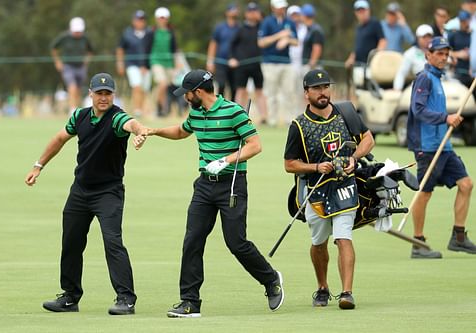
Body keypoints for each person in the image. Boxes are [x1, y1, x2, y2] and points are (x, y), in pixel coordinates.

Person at [145, 69, 284, 318]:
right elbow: (182, 130)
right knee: (193, 240)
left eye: (187, 93)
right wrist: (155, 131)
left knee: (236, 242)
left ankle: (271, 279)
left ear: (198, 92)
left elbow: (255, 145)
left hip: (231, 183)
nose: (185, 98)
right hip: (204, 185)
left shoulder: (233, 112)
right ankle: (189, 301)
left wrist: (226, 160)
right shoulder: (196, 112)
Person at [25, 73, 148, 315]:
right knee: (71, 242)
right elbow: (60, 138)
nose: (104, 98)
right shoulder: (80, 116)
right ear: (90, 93)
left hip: (108, 192)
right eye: (99, 93)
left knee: (113, 242)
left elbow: (130, 124)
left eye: (108, 93)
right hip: (80, 191)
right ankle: (70, 297)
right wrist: (38, 166)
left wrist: (140, 131)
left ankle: (126, 299)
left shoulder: (116, 118)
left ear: (114, 95)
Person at [283, 69, 375, 309]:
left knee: (343, 237)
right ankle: (322, 287)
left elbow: (368, 139)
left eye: (326, 87)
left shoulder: (346, 111)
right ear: (307, 93)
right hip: (315, 190)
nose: (323, 92)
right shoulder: (299, 126)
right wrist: (316, 166)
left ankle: (347, 293)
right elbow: (289, 164)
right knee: (319, 241)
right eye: (317, 88)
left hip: (345, 186)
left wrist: (354, 158)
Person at [407, 36, 476, 259]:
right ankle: (418, 242)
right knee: (424, 194)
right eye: (439, 53)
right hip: (427, 147)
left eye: (446, 54)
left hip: (443, 145)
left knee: (466, 184)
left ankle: (458, 238)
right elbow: (418, 110)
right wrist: (445, 118)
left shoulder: (438, 79)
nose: (443, 58)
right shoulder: (425, 78)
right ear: (428, 54)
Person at [258, 0, 298, 126]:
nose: (282, 9)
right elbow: (261, 42)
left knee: (289, 92)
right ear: (273, 8)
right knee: (271, 93)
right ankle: (272, 120)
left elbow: (296, 42)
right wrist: (279, 36)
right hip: (269, 63)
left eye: (283, 7)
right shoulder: (267, 22)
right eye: (280, 7)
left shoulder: (289, 22)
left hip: (286, 63)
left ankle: (290, 120)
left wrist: (287, 40)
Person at [228, 2, 268, 123]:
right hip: (242, 66)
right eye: (250, 11)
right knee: (240, 90)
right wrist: (232, 58)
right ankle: (236, 117)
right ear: (246, 14)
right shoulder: (240, 29)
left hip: (257, 65)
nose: (253, 14)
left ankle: (264, 118)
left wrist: (260, 18)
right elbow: (232, 46)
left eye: (255, 11)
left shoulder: (261, 27)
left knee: (260, 91)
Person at [51, 17, 94, 114]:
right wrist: (57, 62)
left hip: (81, 67)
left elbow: (90, 51)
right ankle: (72, 110)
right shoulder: (64, 37)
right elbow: (54, 48)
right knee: (72, 87)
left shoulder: (85, 38)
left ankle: (78, 110)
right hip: (68, 66)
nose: (77, 33)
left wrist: (86, 61)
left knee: (78, 89)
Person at [116, 10, 152, 118]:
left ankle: (142, 110)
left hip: (147, 66)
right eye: (138, 20)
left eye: (142, 20)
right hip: (132, 65)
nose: (140, 22)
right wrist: (120, 64)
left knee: (144, 89)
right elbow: (120, 49)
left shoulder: (150, 33)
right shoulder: (127, 33)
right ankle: (137, 111)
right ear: (133, 21)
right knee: (137, 86)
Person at [147, 7, 179, 117]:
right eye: (160, 18)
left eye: (164, 18)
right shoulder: (152, 32)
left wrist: (177, 63)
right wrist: (145, 65)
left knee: (165, 87)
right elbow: (147, 48)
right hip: (156, 61)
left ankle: (163, 109)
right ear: (156, 19)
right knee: (162, 84)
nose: (162, 20)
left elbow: (175, 49)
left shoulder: (171, 32)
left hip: (169, 63)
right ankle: (159, 109)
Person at [345, 0, 386, 85]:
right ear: (356, 13)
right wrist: (351, 58)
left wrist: (377, 55)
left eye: (363, 10)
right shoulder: (358, 28)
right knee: (359, 91)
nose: (361, 13)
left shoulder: (375, 23)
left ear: (368, 11)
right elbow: (357, 46)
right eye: (359, 11)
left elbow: (382, 41)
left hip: (370, 67)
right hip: (358, 66)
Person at [206, 3, 240, 101]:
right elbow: (213, 44)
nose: (234, 12)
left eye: (235, 10)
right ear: (227, 13)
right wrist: (210, 61)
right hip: (221, 62)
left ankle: (232, 109)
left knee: (234, 88)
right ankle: (220, 107)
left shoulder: (239, 28)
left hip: (235, 63)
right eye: (232, 10)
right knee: (221, 85)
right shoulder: (220, 28)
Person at [393, 24, 433, 91]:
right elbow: (401, 74)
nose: (427, 39)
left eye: (429, 37)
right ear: (417, 38)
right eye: (424, 37)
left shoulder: (438, 52)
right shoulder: (410, 53)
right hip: (420, 87)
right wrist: (397, 89)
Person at [449, 10, 474, 99]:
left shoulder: (473, 35)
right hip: (458, 73)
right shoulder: (454, 35)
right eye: (461, 21)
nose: (463, 23)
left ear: (469, 20)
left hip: (472, 74)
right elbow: (446, 51)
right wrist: (457, 54)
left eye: (465, 20)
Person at [301, 4, 324, 70]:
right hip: (309, 65)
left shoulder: (315, 30)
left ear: (304, 16)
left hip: (312, 67)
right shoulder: (309, 29)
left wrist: (311, 64)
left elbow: (317, 48)